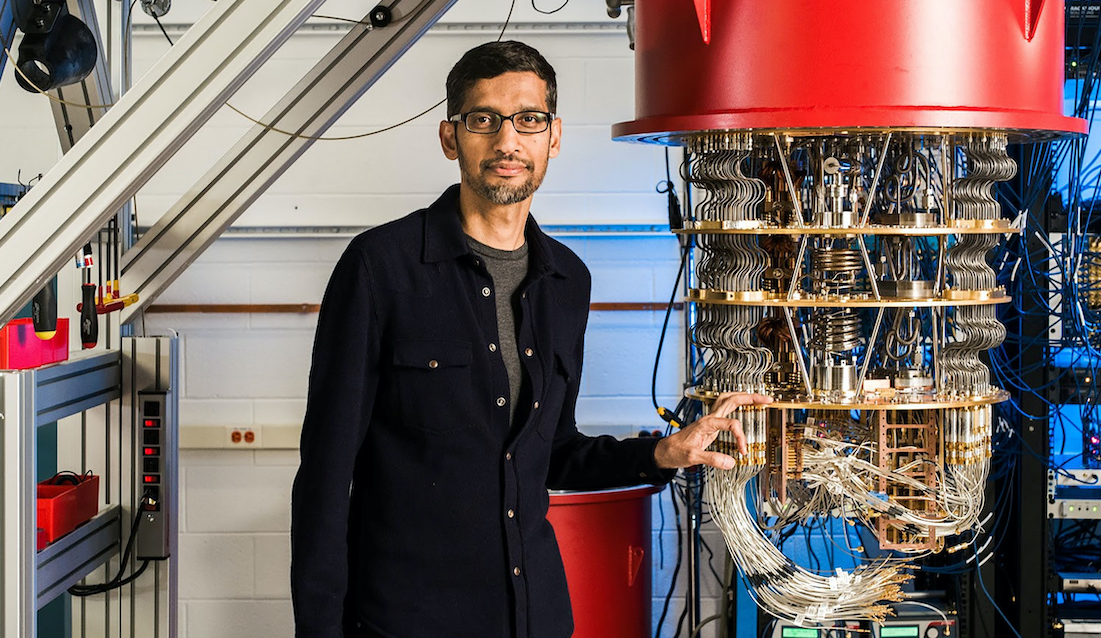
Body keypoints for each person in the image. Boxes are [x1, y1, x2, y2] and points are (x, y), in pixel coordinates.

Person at [290, 40, 771, 638]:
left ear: (554, 137)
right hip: (408, 618)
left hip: (533, 615)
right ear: (450, 138)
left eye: (528, 120)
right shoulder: (380, 268)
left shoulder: (567, 281)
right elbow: (325, 474)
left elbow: (555, 452)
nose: (507, 141)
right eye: (483, 120)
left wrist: (663, 453)